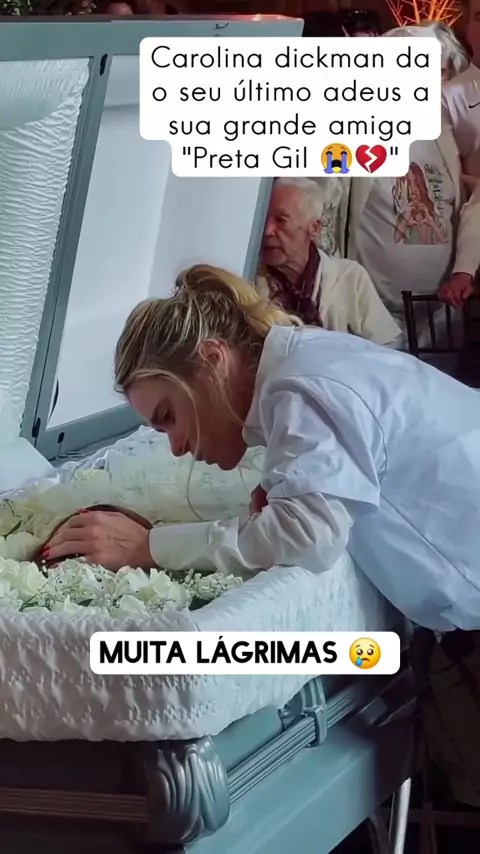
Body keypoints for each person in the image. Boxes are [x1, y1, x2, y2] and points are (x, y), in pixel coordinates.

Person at [42, 262, 480, 633]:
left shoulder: (296, 387)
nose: (175, 447)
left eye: (169, 416)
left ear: (213, 360)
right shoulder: (301, 358)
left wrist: (149, 546)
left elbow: (307, 536)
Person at [345, 24, 480, 324]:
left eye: (439, 71)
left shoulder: (442, 134)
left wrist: (464, 270)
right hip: (372, 317)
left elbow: (468, 204)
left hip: (440, 318)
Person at [257, 178, 401, 346]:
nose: (267, 231)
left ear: (314, 228)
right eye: (264, 219)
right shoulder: (249, 280)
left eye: (281, 220)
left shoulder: (350, 278)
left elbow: (389, 345)